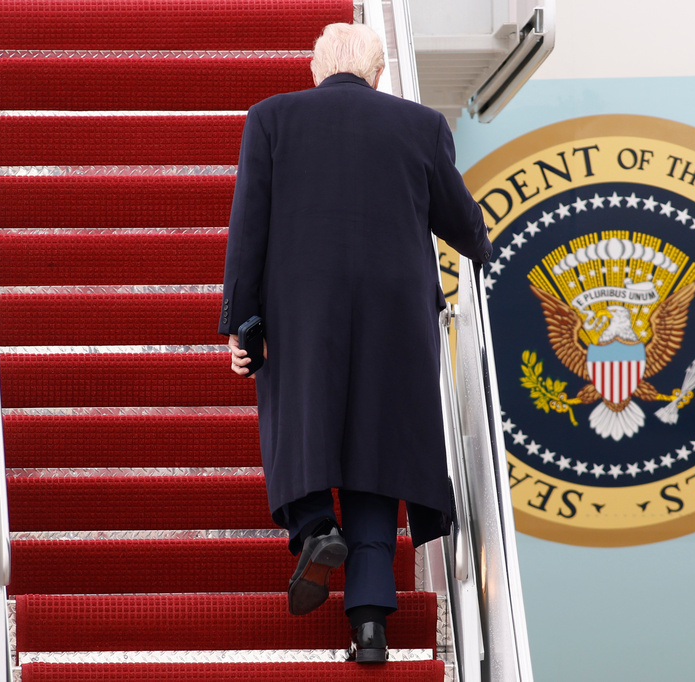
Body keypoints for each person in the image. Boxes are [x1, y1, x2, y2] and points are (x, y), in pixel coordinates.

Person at [218, 22, 491, 664]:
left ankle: (315, 528)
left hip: (301, 310)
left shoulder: (270, 119)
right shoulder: (421, 126)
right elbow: (461, 222)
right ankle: (370, 626)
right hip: (394, 316)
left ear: (316, 67)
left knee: (299, 425)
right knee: (377, 460)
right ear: (377, 73)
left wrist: (242, 320)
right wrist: (484, 252)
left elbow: (248, 224)